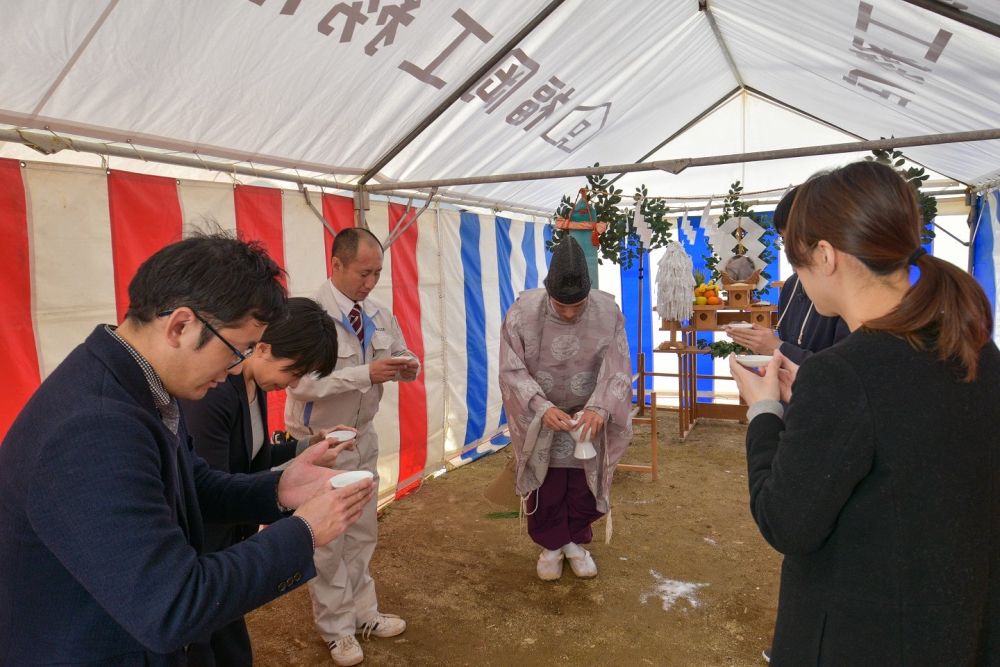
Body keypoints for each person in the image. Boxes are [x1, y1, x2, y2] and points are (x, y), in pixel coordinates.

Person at [0, 234, 374, 666]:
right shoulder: (95, 426)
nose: (237, 366)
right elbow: (172, 606)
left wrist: (278, 490)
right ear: (181, 325)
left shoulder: (138, 382)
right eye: (239, 349)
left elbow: (190, 480)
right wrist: (305, 530)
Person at [729, 160, 1000, 665]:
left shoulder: (844, 374)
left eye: (798, 259)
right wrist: (806, 397)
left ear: (825, 256)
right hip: (956, 621)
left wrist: (764, 411)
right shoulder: (975, 347)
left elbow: (786, 523)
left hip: (865, 632)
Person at [181, 296, 359, 667]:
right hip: (208, 548)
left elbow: (253, 456)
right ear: (262, 348)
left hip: (232, 538)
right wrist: (293, 510)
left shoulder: (254, 385)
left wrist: (311, 445)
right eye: (292, 372)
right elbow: (213, 486)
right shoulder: (216, 395)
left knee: (230, 644)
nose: (291, 384)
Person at [284, 227, 419, 667]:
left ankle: (365, 613)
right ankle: (337, 631)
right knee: (326, 543)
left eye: (378, 273)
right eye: (364, 272)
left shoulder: (378, 313)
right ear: (336, 264)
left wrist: (407, 366)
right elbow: (300, 383)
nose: (371, 282)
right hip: (320, 448)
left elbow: (398, 354)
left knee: (362, 533)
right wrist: (366, 374)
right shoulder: (308, 317)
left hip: (363, 439)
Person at [498, 235, 633, 581]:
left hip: (590, 411)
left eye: (578, 305)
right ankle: (551, 545)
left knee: (582, 480)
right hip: (543, 414)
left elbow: (617, 366)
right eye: (561, 306)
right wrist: (541, 407)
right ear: (548, 291)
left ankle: (574, 542)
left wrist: (600, 408)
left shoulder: (609, 312)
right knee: (549, 481)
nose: (570, 312)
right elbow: (511, 369)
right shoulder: (522, 313)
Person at [725, 186, 850, 364]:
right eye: (783, 240)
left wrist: (776, 347)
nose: (787, 249)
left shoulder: (851, 295)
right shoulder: (791, 285)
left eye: (791, 238)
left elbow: (842, 374)